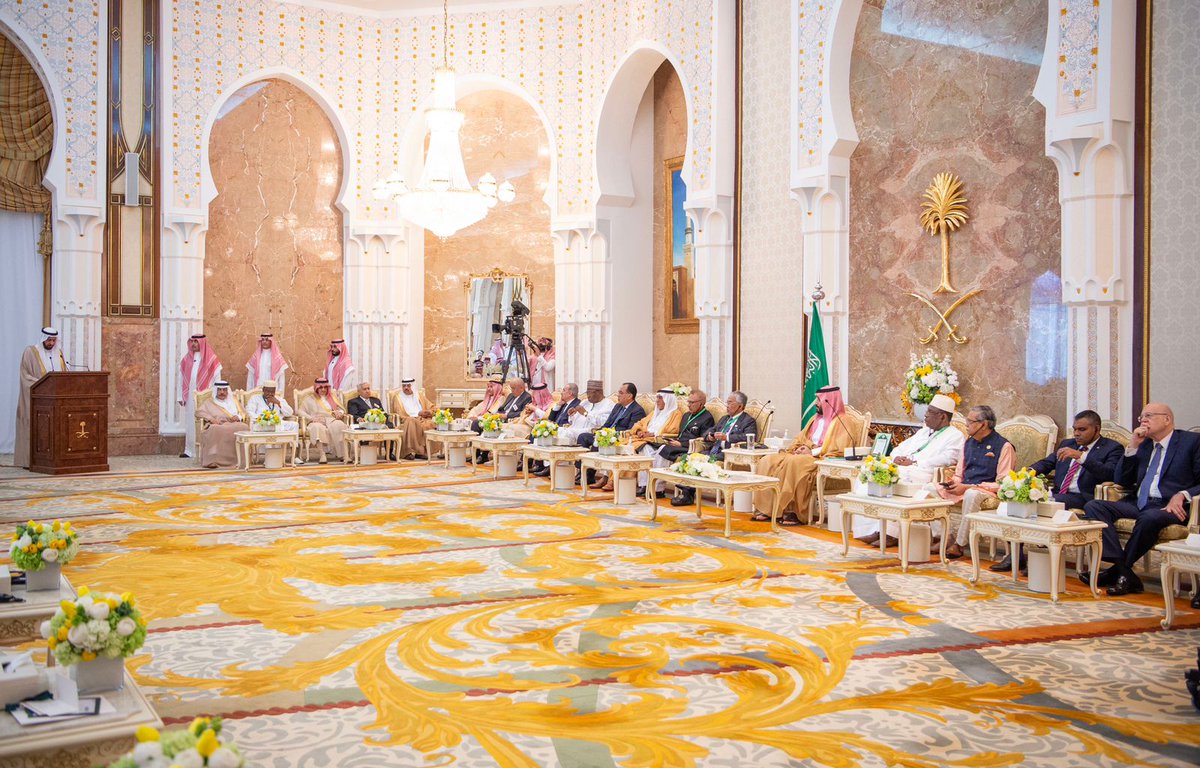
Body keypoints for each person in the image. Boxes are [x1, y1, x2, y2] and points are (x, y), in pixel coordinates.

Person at [1083, 403, 1200, 597]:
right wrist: (1132, 447)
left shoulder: (1191, 442)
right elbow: (1122, 480)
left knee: (1149, 518)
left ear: (1167, 419)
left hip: (1169, 507)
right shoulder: (1144, 444)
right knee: (1095, 506)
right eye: (1141, 417)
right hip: (1139, 503)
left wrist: (1182, 495)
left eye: (1149, 416)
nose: (1143, 420)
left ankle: (1118, 572)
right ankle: (1123, 571)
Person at [991, 409, 1122, 572]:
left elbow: (1109, 473)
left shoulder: (1112, 448)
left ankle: (1042, 560)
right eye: (1075, 429)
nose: (1077, 433)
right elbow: (1047, 463)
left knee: (1047, 503)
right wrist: (1027, 473)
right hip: (1059, 493)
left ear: (1096, 429)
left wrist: (1081, 457)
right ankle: (1016, 555)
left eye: (1082, 429)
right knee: (1020, 500)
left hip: (1084, 496)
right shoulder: (1068, 444)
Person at [855, 393, 964, 544]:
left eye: (930, 411)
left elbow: (948, 458)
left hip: (925, 472)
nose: (925, 415)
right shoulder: (924, 431)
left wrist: (914, 461)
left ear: (942, 417)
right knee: (870, 473)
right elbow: (900, 447)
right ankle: (875, 528)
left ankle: (891, 534)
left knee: (893, 478)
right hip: (907, 467)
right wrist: (896, 457)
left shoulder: (955, 435)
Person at [751, 386, 859, 527]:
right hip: (803, 455)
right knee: (767, 460)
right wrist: (799, 448)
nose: (816, 403)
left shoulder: (843, 421)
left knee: (795, 463)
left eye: (819, 400)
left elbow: (839, 448)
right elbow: (800, 438)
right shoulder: (814, 419)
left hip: (820, 459)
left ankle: (793, 511)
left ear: (829, 401)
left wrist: (811, 452)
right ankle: (769, 509)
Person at [941, 405, 1016, 559]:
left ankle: (959, 544)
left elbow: (1003, 484)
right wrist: (953, 483)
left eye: (970, 421)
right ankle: (945, 538)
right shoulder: (968, 443)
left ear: (984, 424)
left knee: (971, 494)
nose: (966, 424)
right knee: (930, 489)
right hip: (965, 486)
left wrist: (967, 487)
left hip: (987, 491)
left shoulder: (1004, 446)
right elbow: (959, 473)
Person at [15, 327, 67, 468]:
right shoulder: (31, 352)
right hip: (36, 398)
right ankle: (29, 460)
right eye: (49, 340)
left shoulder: (59, 354)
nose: (51, 343)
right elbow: (25, 375)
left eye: (54, 340)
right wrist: (42, 384)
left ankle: (53, 459)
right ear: (43, 339)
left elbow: (63, 374)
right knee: (34, 426)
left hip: (54, 399)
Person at [578, 382, 646, 487]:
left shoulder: (637, 410)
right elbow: (608, 423)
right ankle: (584, 473)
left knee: (602, 442)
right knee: (583, 437)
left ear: (629, 396)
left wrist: (610, 435)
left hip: (620, 438)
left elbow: (631, 431)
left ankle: (601, 477)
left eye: (621, 393)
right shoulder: (618, 406)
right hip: (608, 434)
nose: (618, 395)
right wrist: (600, 432)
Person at [660, 390, 715, 506]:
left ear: (701, 403)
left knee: (664, 450)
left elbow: (702, 439)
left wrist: (682, 444)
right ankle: (657, 487)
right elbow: (681, 434)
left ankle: (680, 492)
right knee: (660, 448)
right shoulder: (686, 415)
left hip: (692, 447)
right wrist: (674, 441)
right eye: (688, 402)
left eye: (692, 402)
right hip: (678, 444)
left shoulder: (707, 418)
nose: (688, 405)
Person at [628, 388, 682, 498]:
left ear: (668, 400)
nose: (657, 400)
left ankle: (657, 489)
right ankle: (644, 485)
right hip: (647, 442)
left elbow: (673, 430)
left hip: (661, 442)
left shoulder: (675, 414)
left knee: (648, 451)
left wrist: (652, 434)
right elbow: (639, 423)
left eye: (660, 398)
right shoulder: (654, 412)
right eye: (657, 397)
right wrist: (639, 431)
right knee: (644, 449)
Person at [178, 334, 223, 459]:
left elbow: (217, 379)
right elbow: (181, 378)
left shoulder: (211, 359)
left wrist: (215, 397)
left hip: (206, 397)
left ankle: (205, 450)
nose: (193, 344)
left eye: (196, 342)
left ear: (202, 343)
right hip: (190, 397)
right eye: (192, 342)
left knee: (204, 422)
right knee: (190, 422)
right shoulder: (186, 359)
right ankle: (189, 450)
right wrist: (180, 396)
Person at [530, 384, 582, 477]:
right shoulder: (563, 404)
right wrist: (557, 405)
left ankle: (548, 467)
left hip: (565, 430)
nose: (561, 392)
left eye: (564, 390)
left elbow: (572, 422)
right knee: (537, 432)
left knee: (546, 435)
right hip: (556, 428)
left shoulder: (577, 404)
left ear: (570, 393)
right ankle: (539, 464)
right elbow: (551, 418)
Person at [195, 381, 246, 469]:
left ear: (227, 391)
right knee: (214, 429)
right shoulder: (209, 402)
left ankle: (240, 460)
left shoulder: (234, 400)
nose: (222, 392)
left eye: (224, 390)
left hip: (233, 423)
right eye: (219, 390)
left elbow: (243, 413)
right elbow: (198, 412)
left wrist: (238, 417)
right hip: (218, 424)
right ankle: (213, 461)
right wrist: (211, 419)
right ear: (216, 391)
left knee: (244, 427)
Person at [299, 378, 348, 463]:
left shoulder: (332, 398)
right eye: (321, 387)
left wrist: (339, 412)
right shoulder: (309, 398)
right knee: (317, 428)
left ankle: (343, 455)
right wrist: (311, 418)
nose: (323, 390)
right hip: (316, 420)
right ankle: (322, 455)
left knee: (340, 425)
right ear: (316, 388)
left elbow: (341, 409)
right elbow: (300, 411)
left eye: (325, 387)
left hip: (331, 419)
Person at [698, 391, 757, 461]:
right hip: (713, 450)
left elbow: (748, 438)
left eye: (730, 403)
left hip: (728, 452)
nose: (727, 406)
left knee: (705, 460)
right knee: (692, 457)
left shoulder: (748, 421)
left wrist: (727, 437)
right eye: (727, 403)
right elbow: (710, 430)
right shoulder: (724, 418)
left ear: (740, 406)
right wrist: (710, 436)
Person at [557, 380, 614, 444]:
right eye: (587, 392)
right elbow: (572, 421)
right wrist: (572, 415)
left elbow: (604, 422)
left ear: (598, 392)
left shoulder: (608, 404)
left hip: (588, 431)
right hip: (574, 429)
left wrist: (586, 413)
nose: (588, 395)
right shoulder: (585, 402)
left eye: (590, 392)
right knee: (556, 430)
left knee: (565, 434)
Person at [393, 378, 435, 460]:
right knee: (411, 422)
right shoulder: (398, 398)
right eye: (404, 386)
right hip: (407, 419)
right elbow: (399, 413)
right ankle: (407, 452)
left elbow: (432, 407)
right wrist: (417, 414)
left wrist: (428, 412)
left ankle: (421, 452)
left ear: (413, 386)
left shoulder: (419, 396)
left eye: (408, 386)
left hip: (422, 418)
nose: (406, 388)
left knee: (429, 423)